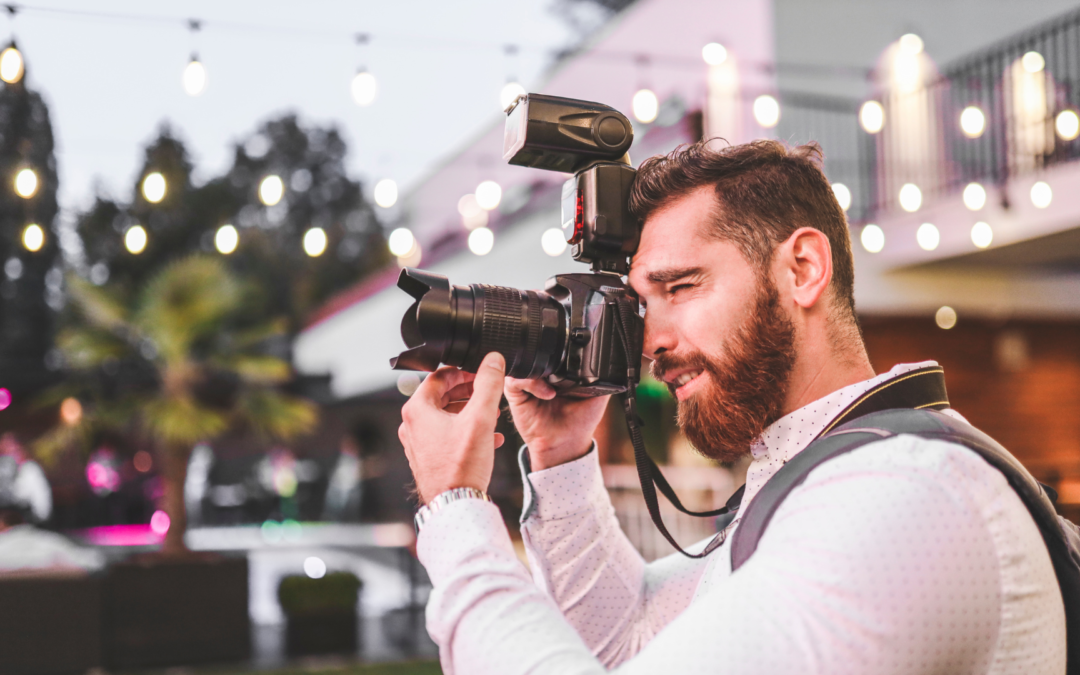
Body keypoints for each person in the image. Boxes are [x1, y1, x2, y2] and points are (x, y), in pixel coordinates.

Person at [397, 140, 1065, 674]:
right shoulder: (824, 467)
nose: (651, 341)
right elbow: (630, 639)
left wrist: (455, 511)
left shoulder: (908, 496)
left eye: (681, 286)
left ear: (803, 268)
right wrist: (561, 454)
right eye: (643, 304)